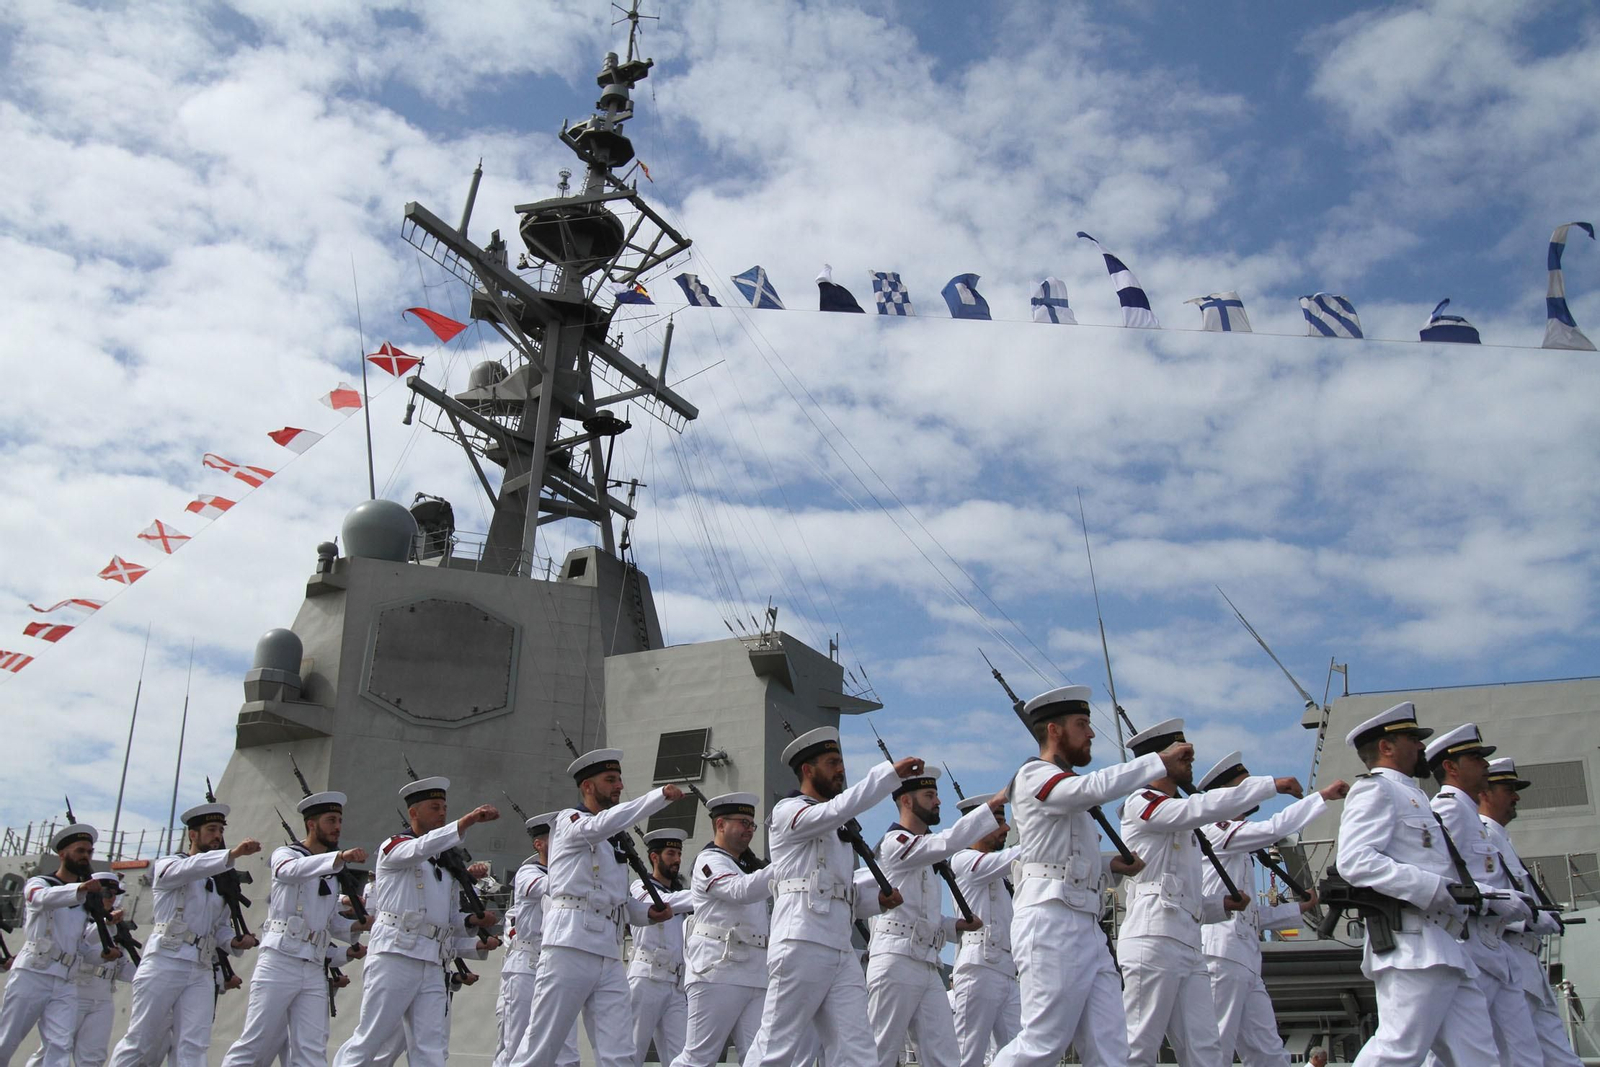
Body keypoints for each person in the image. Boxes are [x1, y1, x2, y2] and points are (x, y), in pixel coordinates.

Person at [987, 686, 1178, 1067]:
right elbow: (1090, 788)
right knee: (1043, 1042)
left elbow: (1063, 855)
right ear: (1054, 730)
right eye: (1083, 724)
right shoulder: (1032, 775)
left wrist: (1110, 865)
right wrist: (1157, 761)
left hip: (1086, 922)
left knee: (1112, 1050)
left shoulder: (1066, 788)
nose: (1091, 733)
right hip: (1050, 920)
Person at [1118, 719, 1295, 1067]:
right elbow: (1195, 809)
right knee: (1137, 1046)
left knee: (1207, 1053)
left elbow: (1190, 898)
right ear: (1157, 760)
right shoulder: (1142, 802)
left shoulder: (1182, 822)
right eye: (1183, 756)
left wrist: (1221, 905)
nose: (1190, 764)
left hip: (1188, 941)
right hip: (1152, 936)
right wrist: (1268, 786)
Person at [747, 725, 922, 1067]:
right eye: (832, 762)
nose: (841, 769)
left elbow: (843, 895)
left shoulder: (837, 827)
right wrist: (887, 775)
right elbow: (832, 812)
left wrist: (876, 902)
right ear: (808, 770)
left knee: (857, 1050)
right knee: (776, 1048)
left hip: (840, 948)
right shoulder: (789, 812)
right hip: (802, 940)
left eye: (841, 761)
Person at [1335, 702, 1495, 1066]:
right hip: (1412, 943)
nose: (1422, 747)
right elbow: (1355, 861)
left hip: (1445, 945)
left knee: (1479, 1057)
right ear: (1386, 748)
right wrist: (1433, 887)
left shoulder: (1416, 797)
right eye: (1412, 739)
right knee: (1398, 1049)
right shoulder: (1376, 791)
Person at [508, 748, 680, 1067]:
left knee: (619, 1051)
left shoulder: (612, 838)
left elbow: (619, 900)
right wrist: (657, 798)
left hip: (609, 951)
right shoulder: (569, 821)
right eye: (610, 779)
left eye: (619, 779)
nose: (618, 785)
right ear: (587, 786)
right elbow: (596, 827)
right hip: (569, 945)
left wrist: (646, 913)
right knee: (542, 1046)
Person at [330, 775, 499, 1067]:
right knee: (371, 1039)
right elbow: (419, 848)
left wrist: (473, 920)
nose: (442, 813)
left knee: (430, 1048)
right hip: (396, 955)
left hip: (432, 961)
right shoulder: (394, 847)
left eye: (445, 808)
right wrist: (466, 822)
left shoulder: (446, 867)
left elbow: (447, 919)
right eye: (435, 807)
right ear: (413, 813)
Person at [1197, 751, 1349, 1066]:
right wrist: (1318, 798)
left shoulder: (1238, 845)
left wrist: (1297, 910)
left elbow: (1252, 916)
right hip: (1219, 955)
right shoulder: (1214, 828)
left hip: (1245, 958)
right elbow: (1272, 830)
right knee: (1215, 1048)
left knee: (1268, 1052)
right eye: (1244, 787)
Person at [108, 795, 260, 1067]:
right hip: (165, 961)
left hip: (200, 968)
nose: (217, 836)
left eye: (221, 831)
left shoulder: (219, 881)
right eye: (211, 831)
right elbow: (189, 868)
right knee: (141, 1041)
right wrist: (231, 855)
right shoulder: (169, 865)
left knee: (194, 1045)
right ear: (193, 835)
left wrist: (235, 942)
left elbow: (219, 928)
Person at [1420, 724, 1541, 1067]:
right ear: (1451, 767)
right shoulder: (1448, 810)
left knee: (1520, 1052)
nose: (1485, 765)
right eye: (1476, 758)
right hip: (1471, 944)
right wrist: (1494, 899)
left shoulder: (1470, 814)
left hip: (1494, 948)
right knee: (1450, 1052)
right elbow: (1440, 875)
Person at [221, 790, 369, 1067]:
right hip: (280, 961)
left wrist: (359, 924)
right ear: (312, 824)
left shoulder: (332, 871)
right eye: (330, 820)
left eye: (339, 820)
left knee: (312, 1050)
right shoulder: (286, 854)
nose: (337, 827)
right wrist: (338, 858)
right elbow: (288, 871)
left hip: (313, 965)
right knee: (255, 1044)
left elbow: (329, 923)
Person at [866, 766, 1001, 1067]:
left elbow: (923, 916)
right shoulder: (895, 844)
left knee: (945, 1057)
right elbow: (945, 842)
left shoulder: (925, 857)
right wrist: (990, 808)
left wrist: (955, 926)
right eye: (929, 795)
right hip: (895, 960)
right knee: (878, 1054)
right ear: (907, 802)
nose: (937, 802)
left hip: (927, 963)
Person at [1477, 758, 1583, 1067]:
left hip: (1528, 966)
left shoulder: (1499, 838)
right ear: (1485, 792)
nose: (1516, 797)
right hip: (1510, 961)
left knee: (1556, 1057)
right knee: (1519, 1057)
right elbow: (1484, 903)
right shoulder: (1484, 837)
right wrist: (1532, 919)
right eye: (1508, 788)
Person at [0, 817, 114, 1067]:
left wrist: (103, 953)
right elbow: (40, 898)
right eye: (80, 851)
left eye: (89, 851)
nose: (86, 856)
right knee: (6, 1040)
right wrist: (80, 889)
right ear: (63, 854)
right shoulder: (40, 883)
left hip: (64, 980)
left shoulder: (84, 898)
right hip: (33, 973)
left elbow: (79, 945)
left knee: (60, 1045)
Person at [670, 793, 773, 1067]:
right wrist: (788, 863)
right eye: (742, 822)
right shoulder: (709, 861)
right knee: (700, 1057)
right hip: (718, 969)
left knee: (761, 1056)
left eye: (752, 824)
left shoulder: (747, 867)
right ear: (720, 825)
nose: (749, 829)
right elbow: (738, 891)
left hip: (754, 971)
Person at [495, 813, 583, 1067]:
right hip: (526, 965)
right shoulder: (528, 872)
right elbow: (545, 887)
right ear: (539, 844)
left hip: (557, 964)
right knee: (515, 1042)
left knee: (565, 1047)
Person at [948, 794, 1021, 1067]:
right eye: (998, 822)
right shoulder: (963, 860)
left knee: (1019, 1052)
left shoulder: (1000, 874)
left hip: (1006, 969)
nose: (1006, 829)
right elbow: (993, 864)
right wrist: (1042, 837)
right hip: (978, 966)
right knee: (968, 1055)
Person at [627, 829, 695, 1067]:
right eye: (670, 853)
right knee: (631, 1052)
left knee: (683, 1056)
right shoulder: (639, 888)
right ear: (654, 857)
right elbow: (659, 905)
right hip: (647, 978)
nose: (677, 859)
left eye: (678, 853)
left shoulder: (680, 896)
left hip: (675, 985)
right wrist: (707, 894)